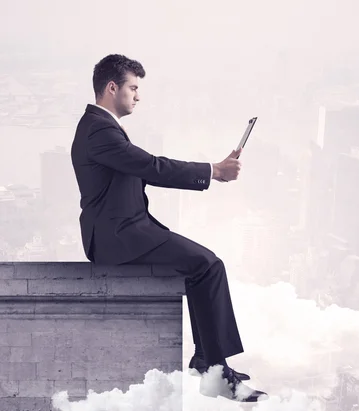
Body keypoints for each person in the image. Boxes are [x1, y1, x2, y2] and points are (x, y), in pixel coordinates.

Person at [70, 54, 267, 403]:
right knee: (208, 264)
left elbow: (143, 170)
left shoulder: (99, 126)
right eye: (133, 87)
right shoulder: (99, 130)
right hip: (118, 237)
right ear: (112, 87)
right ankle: (215, 373)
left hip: (127, 230)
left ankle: (208, 360)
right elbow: (150, 165)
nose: (137, 95)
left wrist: (211, 171)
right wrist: (213, 171)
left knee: (200, 268)